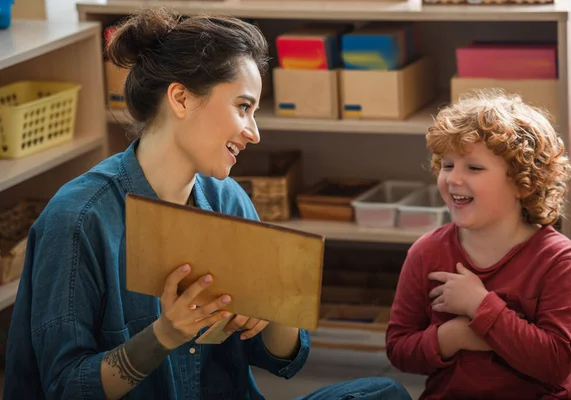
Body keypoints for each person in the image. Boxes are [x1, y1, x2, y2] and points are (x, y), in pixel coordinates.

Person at [3, 8, 411, 400]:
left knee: (384, 393)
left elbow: (283, 359)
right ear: (180, 98)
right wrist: (164, 335)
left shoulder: (227, 199)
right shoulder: (79, 219)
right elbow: (65, 388)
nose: (253, 132)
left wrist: (272, 312)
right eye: (243, 107)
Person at [386, 91, 571, 400]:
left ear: (523, 184)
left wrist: (479, 306)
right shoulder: (426, 252)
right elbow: (398, 349)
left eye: (474, 168)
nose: (453, 179)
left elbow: (556, 362)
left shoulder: (557, 257)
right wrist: (451, 337)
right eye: (448, 165)